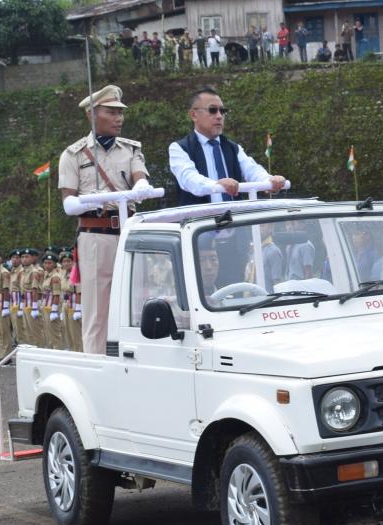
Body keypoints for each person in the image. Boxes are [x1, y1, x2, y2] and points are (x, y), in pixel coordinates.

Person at [58, 85, 151, 355]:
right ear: (92, 115)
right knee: (97, 312)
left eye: (120, 113)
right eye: (111, 112)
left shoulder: (131, 149)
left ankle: (135, 360)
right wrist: (91, 200)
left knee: (138, 303)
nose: (119, 118)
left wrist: (142, 184)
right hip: (96, 236)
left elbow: (139, 177)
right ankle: (96, 364)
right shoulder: (73, 154)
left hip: (129, 233)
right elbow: (68, 204)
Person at [169, 87, 287, 207]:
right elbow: (189, 180)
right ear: (194, 115)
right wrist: (217, 184)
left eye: (223, 111)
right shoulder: (179, 148)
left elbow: (252, 170)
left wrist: (271, 180)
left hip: (235, 222)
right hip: (201, 223)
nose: (219, 116)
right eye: (213, 110)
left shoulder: (233, 147)